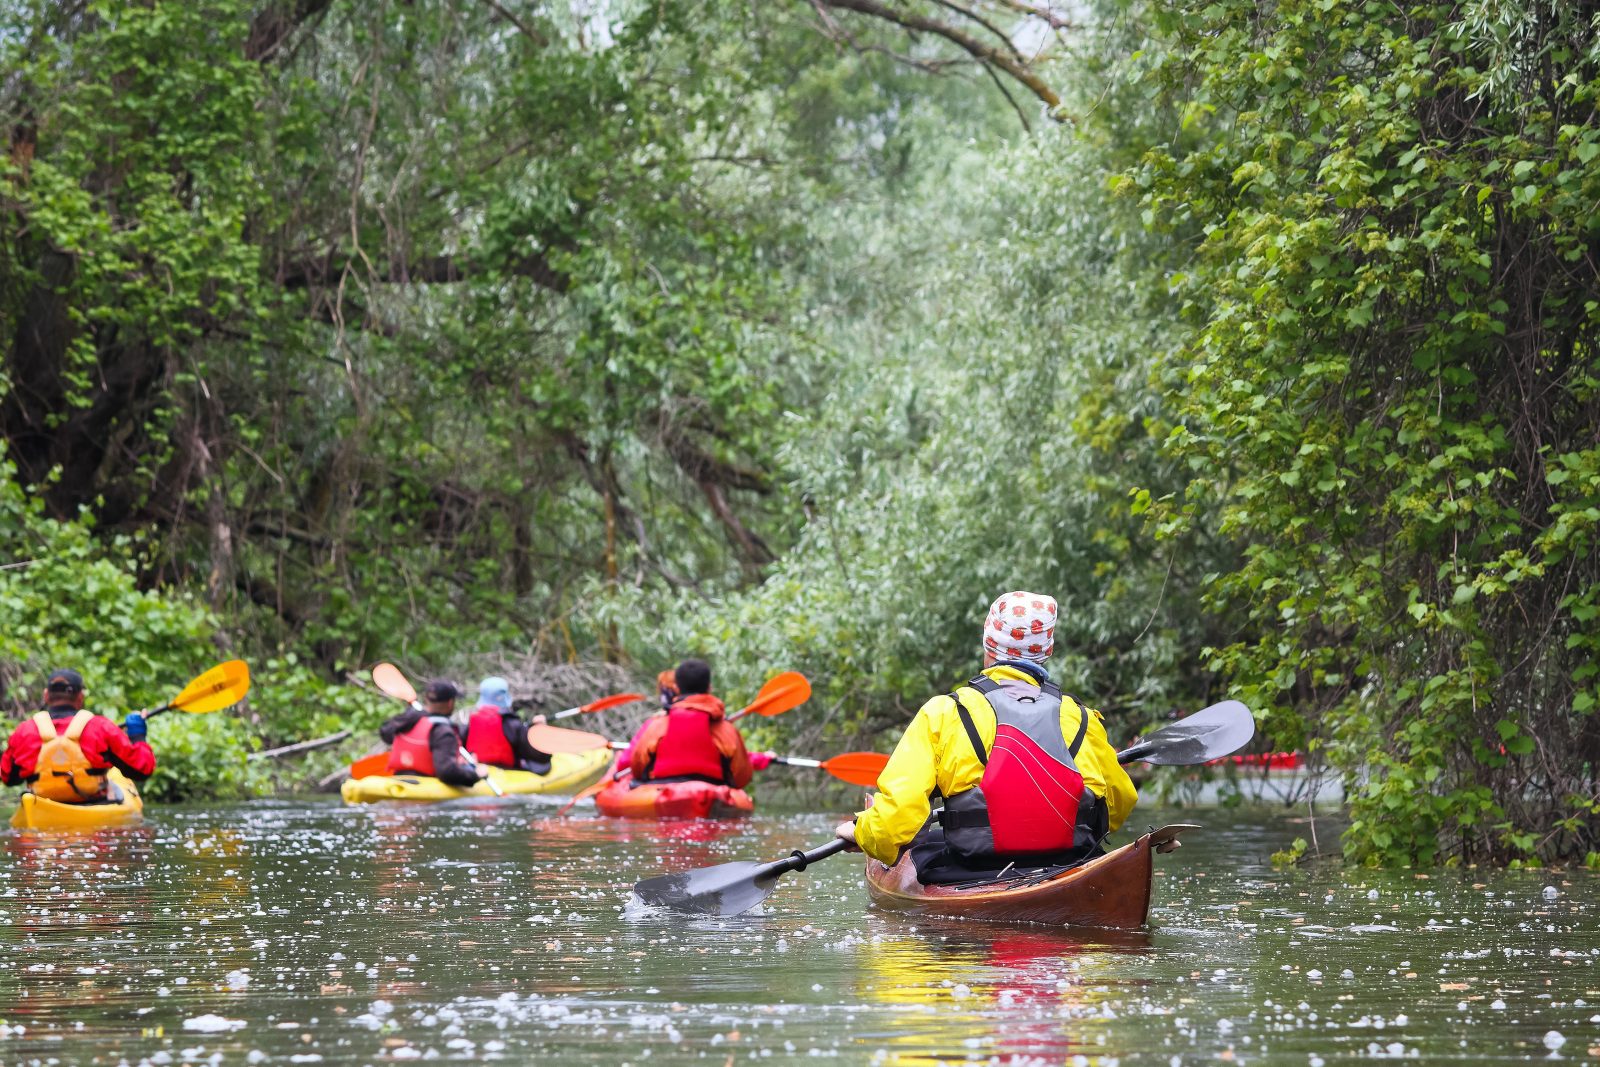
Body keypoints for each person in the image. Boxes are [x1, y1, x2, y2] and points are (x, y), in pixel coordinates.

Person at [834, 592, 1137, 884]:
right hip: (1071, 862)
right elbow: (1118, 804)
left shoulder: (944, 713)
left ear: (989, 646)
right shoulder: (1081, 716)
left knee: (923, 844)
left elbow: (895, 821)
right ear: (1047, 651)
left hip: (972, 869)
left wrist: (863, 833)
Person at [0, 668, 156, 802]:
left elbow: (8, 778)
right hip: (95, 809)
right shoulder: (101, 727)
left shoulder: (24, 732)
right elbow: (141, 771)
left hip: (41, 810)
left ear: (46, 695)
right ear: (80, 697)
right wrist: (138, 736)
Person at [628, 659, 755, 788]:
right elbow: (742, 776)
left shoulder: (657, 726)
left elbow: (637, 767)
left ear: (677, 688)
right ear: (709, 687)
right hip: (713, 794)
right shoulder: (727, 731)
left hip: (662, 792)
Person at [378, 678, 485, 787]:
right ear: (450, 703)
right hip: (425, 787)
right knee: (467, 769)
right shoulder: (443, 731)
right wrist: (475, 775)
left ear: (426, 699)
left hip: (399, 779)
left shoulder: (407, 720)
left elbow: (385, 733)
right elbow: (447, 773)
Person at [462, 676, 552, 773]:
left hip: (480, 773)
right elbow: (542, 757)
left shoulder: (471, 723)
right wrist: (541, 730)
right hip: (507, 774)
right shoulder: (513, 725)